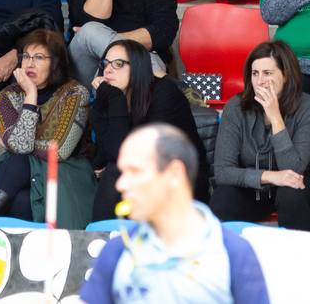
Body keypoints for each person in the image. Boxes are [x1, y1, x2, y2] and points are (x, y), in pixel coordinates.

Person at [80, 125, 270, 304]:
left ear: (174, 173)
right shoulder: (117, 252)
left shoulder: (233, 253)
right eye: (122, 172)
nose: (121, 184)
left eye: (135, 171)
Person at [0, 29, 93, 227]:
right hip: (20, 175)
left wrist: (11, 144)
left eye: (39, 57)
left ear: (55, 63)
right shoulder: (7, 96)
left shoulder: (75, 94)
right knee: (19, 198)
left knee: (19, 160)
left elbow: (60, 151)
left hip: (65, 171)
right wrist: (30, 96)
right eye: (26, 56)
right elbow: (21, 147)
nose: (29, 63)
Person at [211, 40, 310, 232]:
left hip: (303, 180)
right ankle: (234, 256)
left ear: (286, 75)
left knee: (290, 194)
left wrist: (275, 117)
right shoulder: (236, 106)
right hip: (257, 183)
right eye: (255, 73)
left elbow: (294, 168)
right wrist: (271, 177)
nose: (259, 81)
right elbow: (223, 171)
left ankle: (297, 258)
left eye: (268, 73)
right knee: (222, 198)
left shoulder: (309, 107)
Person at [88, 37, 207, 222]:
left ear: (136, 68)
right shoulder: (109, 97)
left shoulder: (164, 93)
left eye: (118, 64)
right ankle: (105, 236)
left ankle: (102, 238)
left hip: (178, 180)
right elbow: (110, 151)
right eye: (105, 64)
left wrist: (115, 99)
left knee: (115, 170)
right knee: (113, 171)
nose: (108, 69)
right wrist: (113, 100)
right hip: (138, 177)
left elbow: (128, 155)